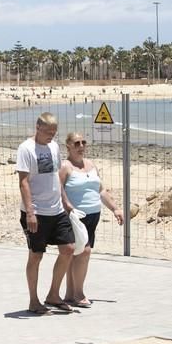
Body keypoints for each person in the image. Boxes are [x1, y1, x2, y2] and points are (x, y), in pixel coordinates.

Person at [17, 112, 75, 314]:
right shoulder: (26, 149)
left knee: (68, 248)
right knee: (36, 255)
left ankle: (53, 294)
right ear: (38, 127)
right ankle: (34, 300)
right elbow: (23, 182)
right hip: (36, 212)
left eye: (54, 132)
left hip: (56, 209)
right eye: (48, 131)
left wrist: (65, 200)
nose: (51, 135)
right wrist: (30, 212)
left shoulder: (54, 147)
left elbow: (56, 176)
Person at [60, 132, 123, 308]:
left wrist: (115, 208)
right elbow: (58, 189)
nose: (81, 146)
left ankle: (70, 294)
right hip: (75, 217)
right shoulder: (65, 166)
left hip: (93, 216)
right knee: (83, 252)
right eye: (76, 143)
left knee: (76, 254)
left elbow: (101, 190)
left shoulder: (91, 165)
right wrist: (68, 207)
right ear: (68, 146)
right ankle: (79, 294)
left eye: (83, 142)